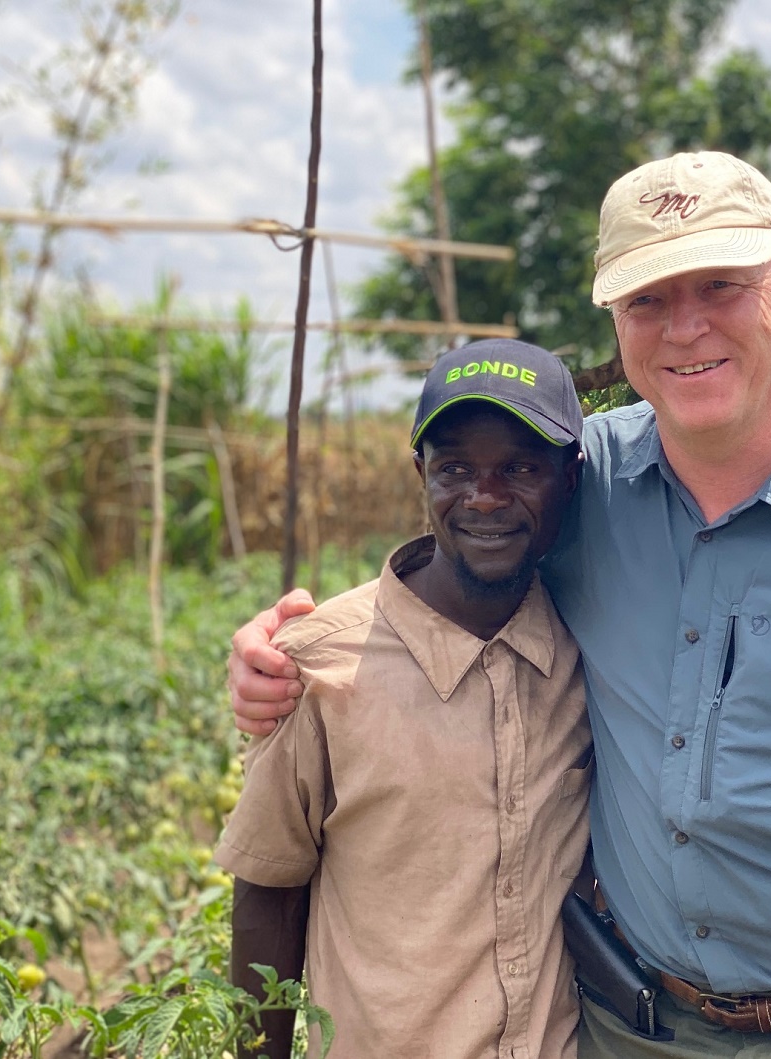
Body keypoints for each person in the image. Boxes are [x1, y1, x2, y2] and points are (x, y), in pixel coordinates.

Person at [234, 151, 771, 1059]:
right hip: (635, 1020)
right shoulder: (579, 479)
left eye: (721, 284)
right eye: (646, 300)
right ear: (616, 321)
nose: (684, 327)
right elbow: (463, 537)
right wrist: (298, 649)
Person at [215, 339, 594, 1059]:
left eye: (519, 467)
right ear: (421, 473)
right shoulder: (323, 667)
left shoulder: (591, 640)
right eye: (455, 468)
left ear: (569, 477)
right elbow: (268, 889)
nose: (485, 496)